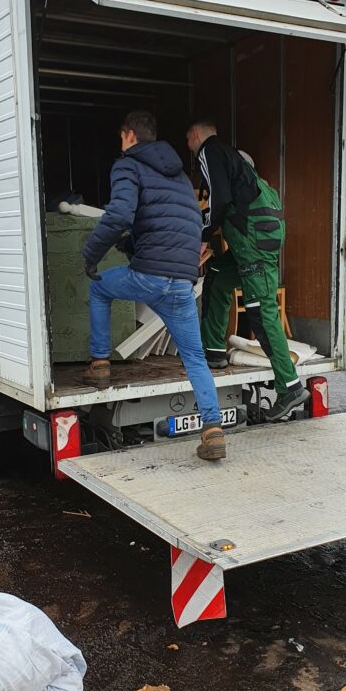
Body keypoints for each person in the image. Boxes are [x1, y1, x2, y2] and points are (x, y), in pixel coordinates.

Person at [81, 110, 226, 461]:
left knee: (99, 286)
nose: (121, 143)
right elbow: (180, 223)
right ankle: (213, 429)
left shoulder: (127, 164)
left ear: (129, 135)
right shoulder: (177, 175)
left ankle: (99, 364)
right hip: (181, 281)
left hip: (148, 276)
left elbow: (118, 214)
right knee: (194, 357)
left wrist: (91, 253)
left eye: (121, 138)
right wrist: (131, 244)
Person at [186, 120, 309, 421]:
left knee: (262, 314)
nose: (189, 144)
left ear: (197, 135)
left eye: (188, 138)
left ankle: (290, 386)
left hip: (252, 248)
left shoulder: (210, 150)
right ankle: (214, 350)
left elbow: (220, 200)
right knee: (216, 272)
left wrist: (202, 234)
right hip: (248, 247)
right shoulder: (249, 176)